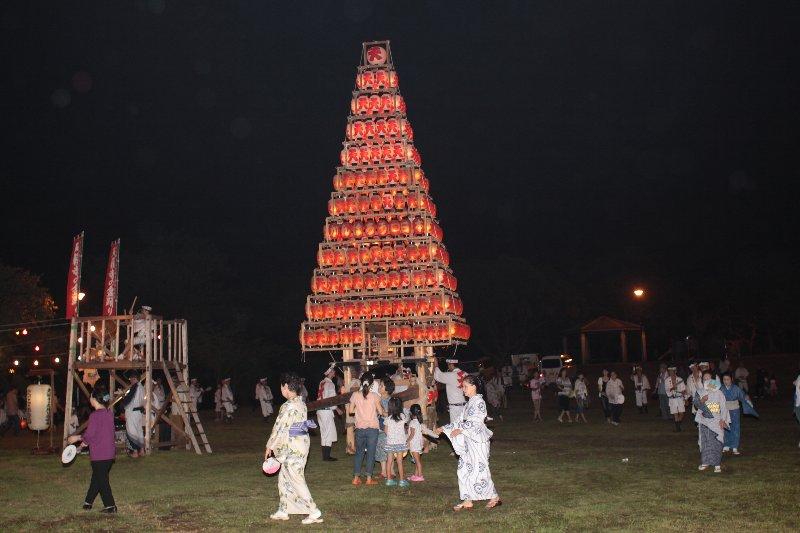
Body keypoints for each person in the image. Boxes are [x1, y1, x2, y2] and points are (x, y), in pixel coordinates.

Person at [264, 372, 323, 524]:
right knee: (284, 479)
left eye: (281, 386)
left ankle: (313, 510)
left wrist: (270, 445)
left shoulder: (288, 406)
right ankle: (284, 509)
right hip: (300, 443)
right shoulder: (301, 402)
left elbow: (280, 427)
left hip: (293, 447)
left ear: (285, 387)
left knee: (296, 479)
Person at [437, 375, 500, 511]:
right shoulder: (469, 403)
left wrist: (460, 430)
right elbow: (460, 421)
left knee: (480, 470)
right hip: (468, 441)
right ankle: (468, 499)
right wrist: (444, 428)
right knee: (464, 469)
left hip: (478, 441)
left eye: (465, 387)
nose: (463, 390)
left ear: (474, 387)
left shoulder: (479, 402)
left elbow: (476, 422)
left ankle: (494, 497)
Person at [68, 385, 117, 513]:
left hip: (99, 454)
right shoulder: (109, 414)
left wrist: (76, 438)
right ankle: (88, 502)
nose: (89, 398)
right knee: (97, 478)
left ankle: (110, 506)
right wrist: (82, 445)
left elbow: (90, 435)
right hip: (109, 453)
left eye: (90, 396)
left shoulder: (95, 416)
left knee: (102, 481)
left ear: (94, 399)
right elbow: (98, 435)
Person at [349, 372, 385, 486]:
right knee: (371, 453)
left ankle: (356, 478)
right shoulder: (375, 396)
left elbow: (350, 411)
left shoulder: (355, 395)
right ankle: (369, 479)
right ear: (371, 384)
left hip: (359, 428)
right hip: (372, 429)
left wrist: (360, 410)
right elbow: (380, 412)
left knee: (359, 453)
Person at [693, 371, 730, 473]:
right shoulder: (700, 391)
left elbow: (723, 407)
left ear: (713, 380)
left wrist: (723, 419)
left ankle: (717, 464)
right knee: (705, 442)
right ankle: (705, 462)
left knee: (717, 441)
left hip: (716, 420)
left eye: (709, 379)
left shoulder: (719, 392)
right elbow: (696, 404)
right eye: (705, 379)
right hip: (704, 420)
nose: (707, 381)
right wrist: (702, 401)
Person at [721, 373, 757, 454]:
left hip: (734, 410)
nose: (726, 381)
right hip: (725, 410)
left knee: (735, 427)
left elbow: (743, 396)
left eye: (728, 379)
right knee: (725, 426)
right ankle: (726, 445)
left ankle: (734, 446)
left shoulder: (736, 388)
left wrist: (748, 400)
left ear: (731, 379)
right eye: (724, 380)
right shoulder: (721, 388)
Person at [383, 397, 409, 488]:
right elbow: (406, 422)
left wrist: (391, 436)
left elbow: (385, 430)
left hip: (390, 443)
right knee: (399, 462)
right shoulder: (403, 416)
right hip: (400, 443)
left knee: (389, 461)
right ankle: (402, 480)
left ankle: (389, 480)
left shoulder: (388, 418)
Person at [407, 403, 436, 482]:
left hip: (414, 444)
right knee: (417, 460)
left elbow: (412, 434)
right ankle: (416, 475)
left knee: (417, 461)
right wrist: (435, 435)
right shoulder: (419, 423)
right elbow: (426, 431)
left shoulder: (413, 422)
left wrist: (407, 441)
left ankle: (420, 476)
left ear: (411, 413)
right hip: (419, 444)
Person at [434, 359, 467, 423]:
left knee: (455, 428)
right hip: (466, 406)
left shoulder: (451, 375)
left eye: (448, 365)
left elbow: (437, 376)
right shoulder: (466, 374)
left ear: (452, 365)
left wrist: (436, 365)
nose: (448, 367)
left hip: (455, 408)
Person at [316, 366, 338, 461]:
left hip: (320, 410)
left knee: (323, 433)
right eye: (333, 371)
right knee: (328, 432)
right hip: (326, 410)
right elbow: (332, 399)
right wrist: (336, 408)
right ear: (329, 373)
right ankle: (327, 456)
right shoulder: (330, 384)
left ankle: (325, 456)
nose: (334, 373)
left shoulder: (322, 382)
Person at [121, 372, 144, 457]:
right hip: (138, 412)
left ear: (134, 378)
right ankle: (141, 450)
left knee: (132, 431)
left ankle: (135, 451)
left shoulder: (135, 387)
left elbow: (129, 400)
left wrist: (123, 398)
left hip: (132, 412)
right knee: (139, 430)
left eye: (131, 379)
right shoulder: (142, 387)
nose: (130, 381)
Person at [375, 377, 394, 479]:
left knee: (388, 448)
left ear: (386, 390)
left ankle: (389, 471)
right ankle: (386, 471)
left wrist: (381, 410)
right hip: (380, 427)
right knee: (383, 448)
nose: (379, 387)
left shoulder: (389, 401)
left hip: (386, 427)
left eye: (381, 386)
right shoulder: (378, 398)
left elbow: (389, 413)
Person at [665, 367, 687, 432]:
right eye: (669, 371)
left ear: (675, 371)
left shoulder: (680, 379)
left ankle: (678, 424)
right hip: (672, 399)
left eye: (672, 371)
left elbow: (684, 389)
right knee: (675, 413)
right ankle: (678, 428)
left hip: (680, 398)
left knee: (682, 413)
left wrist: (685, 398)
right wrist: (672, 388)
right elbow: (666, 389)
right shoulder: (667, 380)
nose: (670, 372)